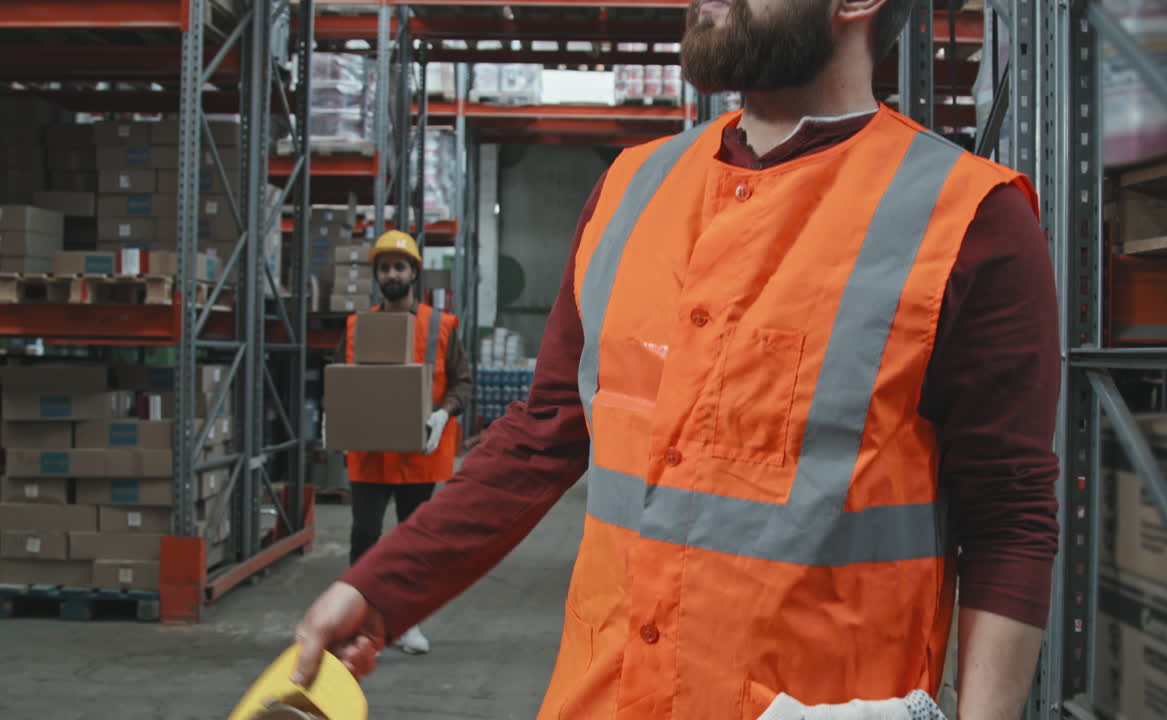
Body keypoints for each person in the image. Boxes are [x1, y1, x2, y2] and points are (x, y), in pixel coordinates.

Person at [295, 1, 1062, 718]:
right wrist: (380, 588)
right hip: (605, 697)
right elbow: (542, 435)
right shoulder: (630, 190)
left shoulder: (970, 221)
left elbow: (1011, 513)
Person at [329, 229, 474, 655]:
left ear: (414, 273)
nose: (393, 274)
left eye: (400, 266)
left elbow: (463, 382)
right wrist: (332, 418)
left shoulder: (442, 327)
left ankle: (406, 621)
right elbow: (341, 379)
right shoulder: (356, 327)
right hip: (371, 456)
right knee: (365, 536)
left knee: (413, 542)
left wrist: (442, 413)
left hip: (419, 455)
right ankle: (358, 621)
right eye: (385, 268)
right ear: (377, 275)